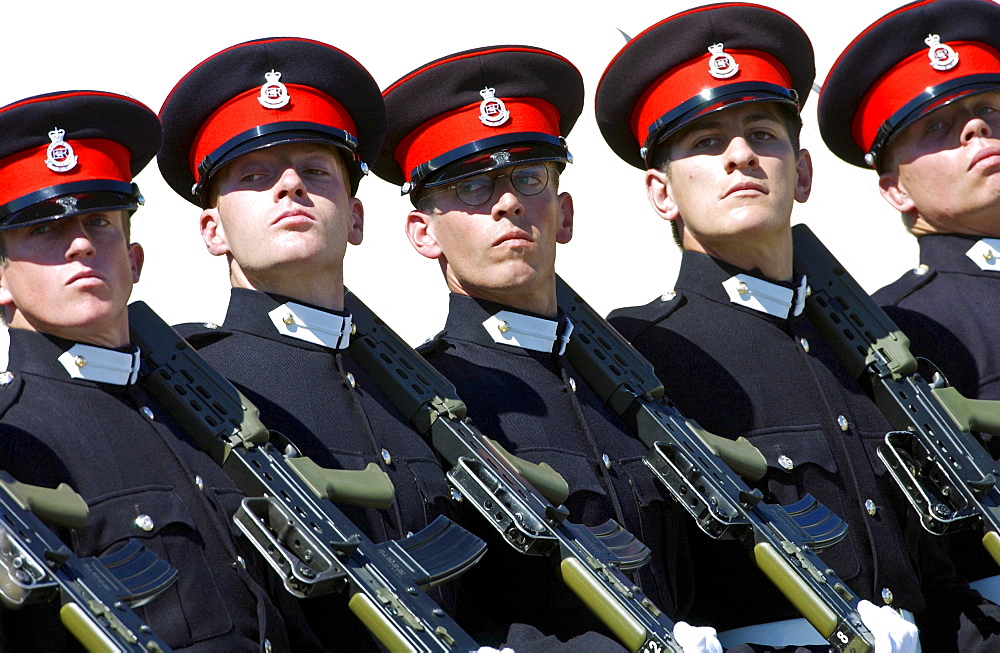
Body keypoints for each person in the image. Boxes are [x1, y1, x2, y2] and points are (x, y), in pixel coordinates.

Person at [594, 2, 988, 650]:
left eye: (764, 135)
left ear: (801, 173)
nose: (741, 156)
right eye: (706, 143)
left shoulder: (879, 343)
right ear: (661, 192)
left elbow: (940, 568)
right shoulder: (642, 353)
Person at [372, 44, 717, 653]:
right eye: (473, 186)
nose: (508, 203)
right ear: (423, 233)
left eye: (528, 178)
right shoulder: (420, 400)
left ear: (562, 213)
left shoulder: (636, 386)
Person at [156, 37, 463, 651]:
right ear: (213, 230)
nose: (290, 185)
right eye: (256, 175)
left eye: (315, 171)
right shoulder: (193, 393)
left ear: (354, 218)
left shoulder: (419, 392)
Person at [0, 91, 294, 651]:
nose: (82, 243)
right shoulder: (16, 442)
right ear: (1, 278)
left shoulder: (210, 413)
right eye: (43, 230)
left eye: (100, 222)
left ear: (133, 261)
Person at [818, 0, 1000, 598]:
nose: (978, 129)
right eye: (938, 128)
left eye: (989, 109)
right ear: (896, 188)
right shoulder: (898, 326)